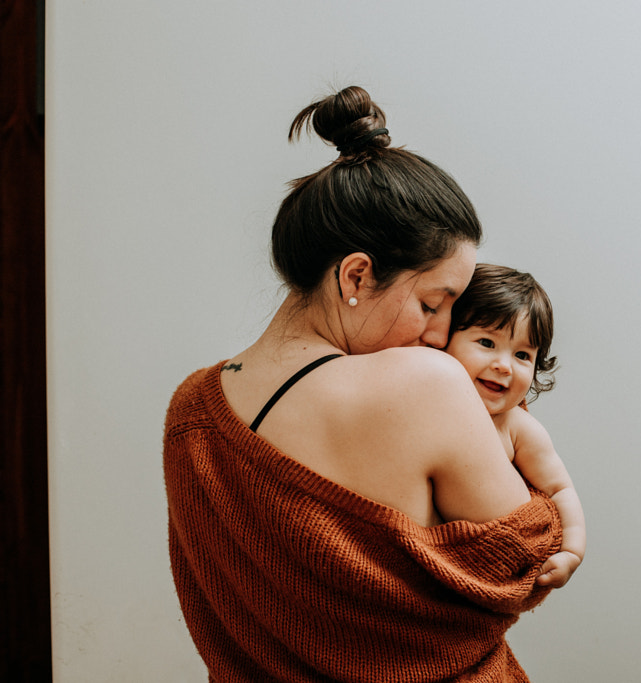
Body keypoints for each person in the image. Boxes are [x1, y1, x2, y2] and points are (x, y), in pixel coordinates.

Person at [163, 86, 562, 683]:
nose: (439, 335)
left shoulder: (191, 408)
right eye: (433, 303)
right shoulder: (427, 382)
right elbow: (526, 563)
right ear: (356, 275)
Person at [445, 264, 585, 589]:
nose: (504, 365)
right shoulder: (422, 395)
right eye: (486, 342)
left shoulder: (518, 428)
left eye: (522, 354)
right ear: (445, 338)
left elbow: (560, 489)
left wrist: (572, 552)